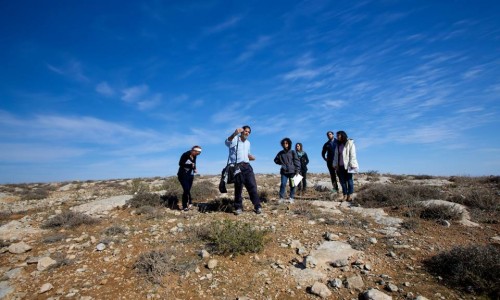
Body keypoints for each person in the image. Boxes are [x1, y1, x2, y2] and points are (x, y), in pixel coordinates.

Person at [225, 126, 262, 215]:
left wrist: (250, 157)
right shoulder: (235, 139)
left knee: (252, 186)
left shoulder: (248, 143)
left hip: (247, 167)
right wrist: (234, 133)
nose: (247, 133)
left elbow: (246, 153)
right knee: (238, 188)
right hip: (237, 167)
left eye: (249, 132)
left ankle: (257, 206)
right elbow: (227, 142)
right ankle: (238, 207)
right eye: (245, 131)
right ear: (242, 131)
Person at [333, 131, 358, 201]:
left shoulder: (350, 143)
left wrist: (352, 164)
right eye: (337, 136)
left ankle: (350, 195)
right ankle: (345, 195)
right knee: (342, 181)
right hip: (340, 166)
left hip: (348, 166)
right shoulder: (337, 145)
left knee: (349, 180)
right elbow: (335, 156)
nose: (337, 137)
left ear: (342, 135)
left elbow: (352, 154)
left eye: (338, 135)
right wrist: (335, 164)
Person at [274, 138, 301, 203]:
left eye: (286, 143)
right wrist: (281, 163)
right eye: (283, 143)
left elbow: (297, 161)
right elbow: (275, 160)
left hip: (292, 172)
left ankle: (291, 198)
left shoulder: (292, 152)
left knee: (292, 185)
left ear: (289, 144)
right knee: (283, 184)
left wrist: (297, 171)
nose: (285, 144)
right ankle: (281, 198)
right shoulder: (280, 153)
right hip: (284, 172)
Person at [177, 146, 202, 211]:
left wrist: (194, 169)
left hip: (190, 175)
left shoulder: (194, 156)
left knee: (188, 189)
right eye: (197, 153)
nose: (198, 155)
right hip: (182, 175)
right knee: (186, 189)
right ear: (193, 150)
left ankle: (190, 202)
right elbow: (180, 164)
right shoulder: (185, 155)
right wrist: (190, 166)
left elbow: (194, 163)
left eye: (199, 153)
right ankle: (185, 206)